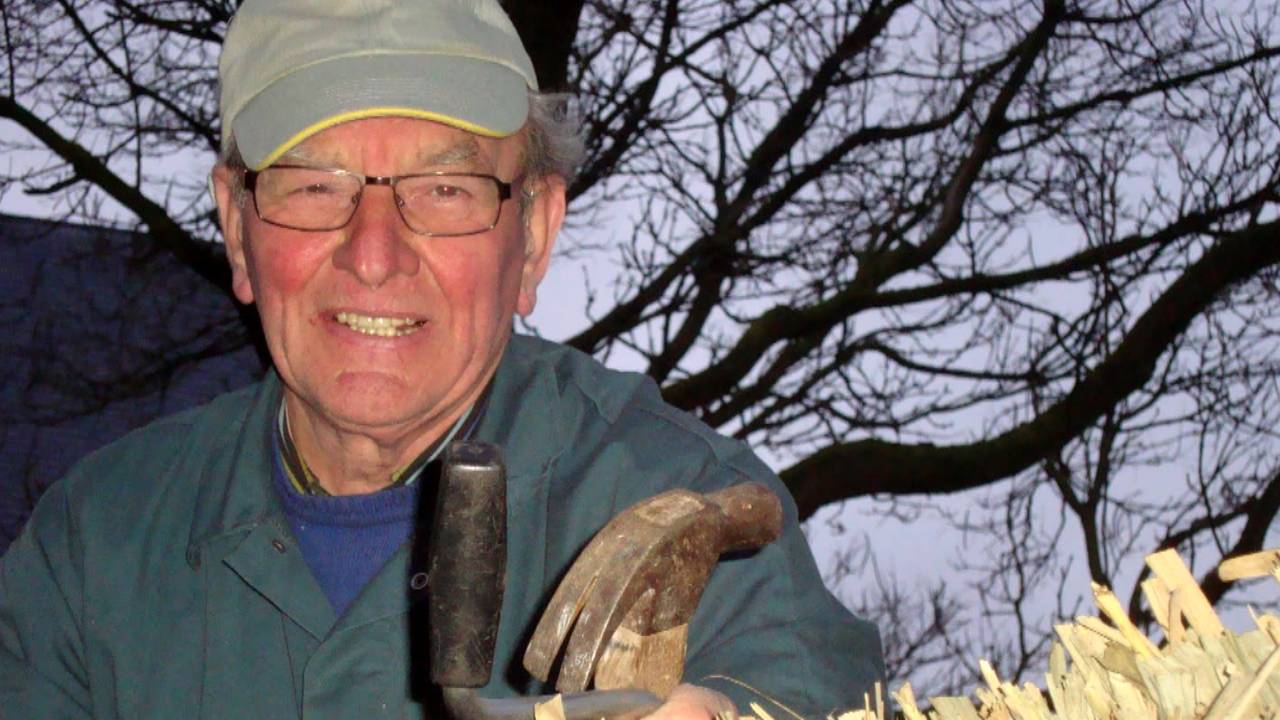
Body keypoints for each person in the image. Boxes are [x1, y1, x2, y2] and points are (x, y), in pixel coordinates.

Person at [0, 0, 883, 717]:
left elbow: (808, 689)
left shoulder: (688, 508)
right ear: (237, 230)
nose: (373, 253)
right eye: (313, 185)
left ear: (533, 235)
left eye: (446, 189)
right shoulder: (92, 546)